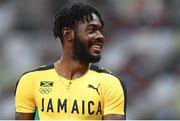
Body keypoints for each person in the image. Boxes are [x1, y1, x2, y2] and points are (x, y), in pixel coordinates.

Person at [15, 3, 127, 120]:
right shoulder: (31, 80)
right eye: (91, 30)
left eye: (100, 31)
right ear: (68, 34)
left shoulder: (110, 83)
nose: (100, 36)